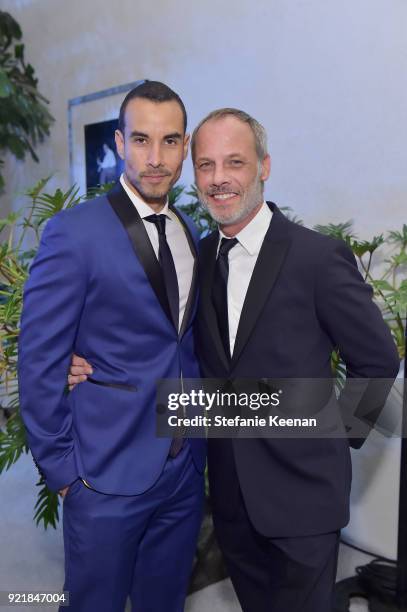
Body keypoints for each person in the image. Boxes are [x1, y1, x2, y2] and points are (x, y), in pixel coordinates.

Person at [69, 107, 399, 612]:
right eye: (206, 165)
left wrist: (334, 435)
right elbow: (165, 343)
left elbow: (377, 359)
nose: (219, 179)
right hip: (229, 500)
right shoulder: (196, 259)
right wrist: (82, 357)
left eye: (235, 163)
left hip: (303, 502)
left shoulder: (317, 258)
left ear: (264, 167)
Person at [18, 81, 206, 612]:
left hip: (182, 470)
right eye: (141, 139)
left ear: (184, 146)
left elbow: (180, 344)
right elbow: (39, 362)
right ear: (119, 144)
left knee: (163, 602)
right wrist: (64, 473)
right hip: (102, 475)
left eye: (170, 142)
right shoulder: (72, 233)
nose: (155, 157)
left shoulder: (188, 230)